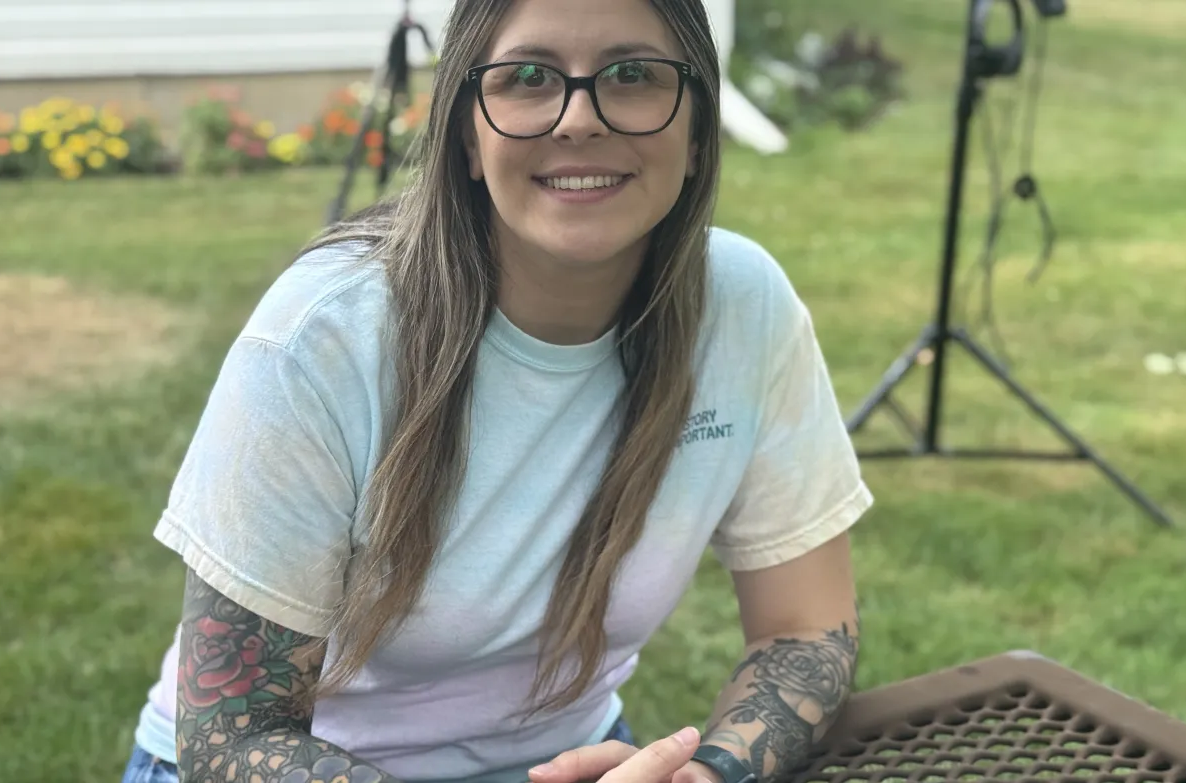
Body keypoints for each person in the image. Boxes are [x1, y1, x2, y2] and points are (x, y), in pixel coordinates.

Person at [119, 0, 873, 782]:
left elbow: (806, 627)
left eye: (632, 74)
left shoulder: (744, 307)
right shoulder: (323, 338)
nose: (579, 118)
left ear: (696, 132)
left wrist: (706, 773)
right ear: (468, 138)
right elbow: (235, 737)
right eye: (527, 77)